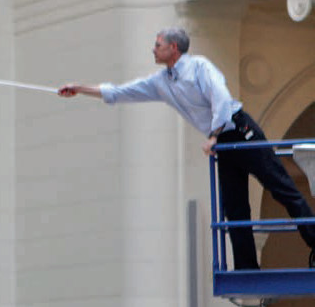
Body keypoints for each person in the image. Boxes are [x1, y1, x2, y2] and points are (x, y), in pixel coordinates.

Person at [60, 27, 315, 270]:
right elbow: (120, 92)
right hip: (223, 141)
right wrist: (80, 89)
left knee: (281, 188)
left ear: (173, 47)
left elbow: (222, 100)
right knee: (234, 205)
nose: (153, 49)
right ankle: (247, 266)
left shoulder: (199, 67)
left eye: (157, 45)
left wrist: (214, 135)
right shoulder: (162, 81)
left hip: (240, 131)